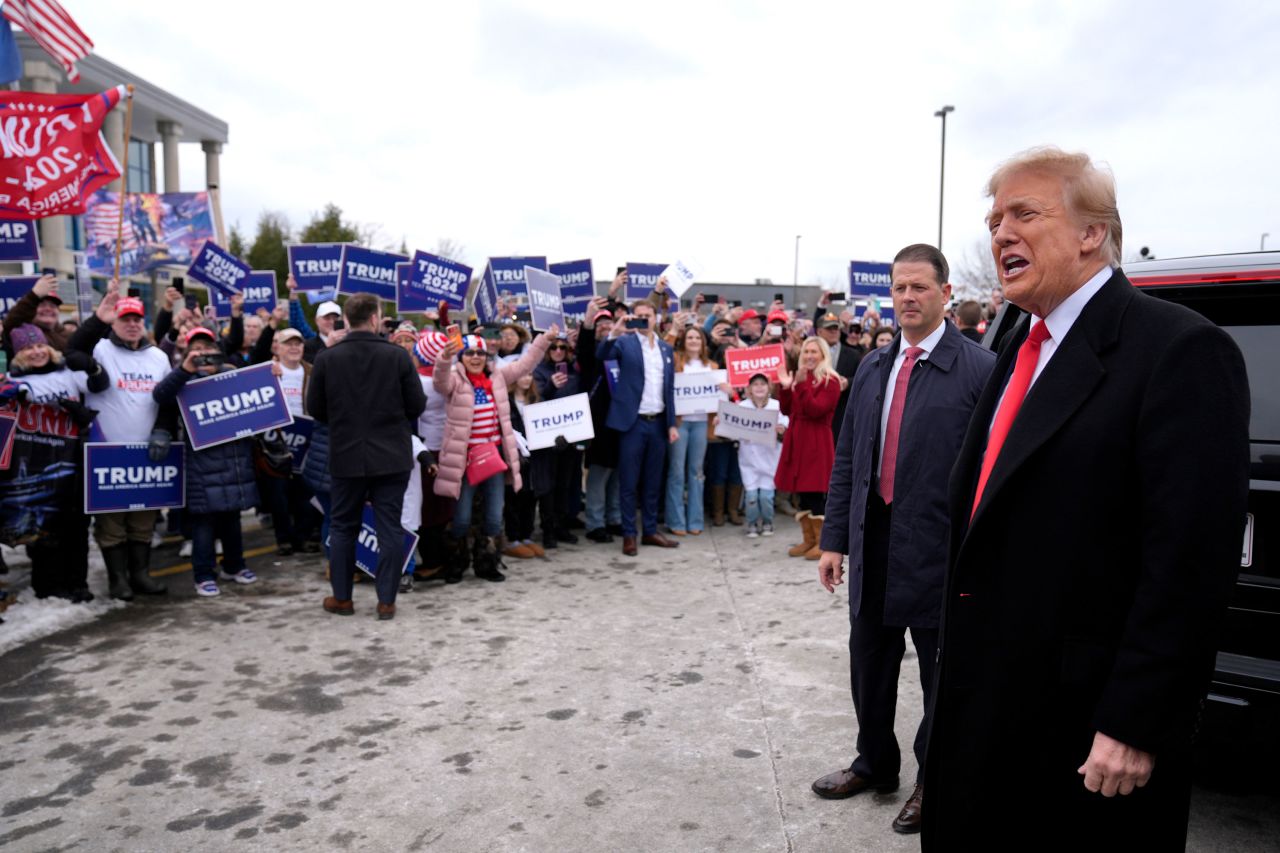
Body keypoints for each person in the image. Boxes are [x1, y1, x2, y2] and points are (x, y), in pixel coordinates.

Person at [922, 148, 1251, 848]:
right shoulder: (1019, 348)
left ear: (1091, 232)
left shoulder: (1178, 350)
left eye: (1024, 213)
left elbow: (1189, 567)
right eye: (994, 218)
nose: (1000, 232)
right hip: (983, 712)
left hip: (1083, 742)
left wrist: (1136, 719)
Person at [812, 244, 995, 834]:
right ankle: (875, 763)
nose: (909, 298)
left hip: (940, 549)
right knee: (869, 663)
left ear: (945, 293)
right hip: (874, 540)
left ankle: (931, 780)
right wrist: (833, 538)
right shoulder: (872, 368)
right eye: (899, 288)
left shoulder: (980, 371)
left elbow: (993, 473)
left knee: (940, 676)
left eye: (920, 287)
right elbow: (848, 461)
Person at [307, 293, 427, 621]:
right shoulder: (397, 357)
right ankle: (386, 601)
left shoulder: (327, 358)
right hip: (391, 455)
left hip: (346, 455)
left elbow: (314, 409)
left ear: (346, 319)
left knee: (343, 527)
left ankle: (343, 599)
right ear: (375, 318)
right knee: (389, 526)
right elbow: (416, 405)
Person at [68, 283, 171, 600]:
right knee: (111, 523)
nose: (131, 324)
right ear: (114, 322)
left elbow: (167, 400)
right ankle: (118, 580)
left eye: (136, 319)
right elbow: (73, 349)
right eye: (125, 318)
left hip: (146, 454)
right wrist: (97, 319)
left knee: (143, 521)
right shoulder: (99, 349)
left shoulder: (158, 357)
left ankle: (140, 575)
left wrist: (163, 430)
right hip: (107, 451)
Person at [433, 330, 553, 581]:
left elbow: (525, 364)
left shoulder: (498, 376)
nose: (476, 357)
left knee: (493, 516)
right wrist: (445, 358)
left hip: (494, 456)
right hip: (464, 459)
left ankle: (487, 564)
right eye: (470, 353)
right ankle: (456, 563)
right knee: (462, 517)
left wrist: (543, 340)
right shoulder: (455, 378)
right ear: (461, 356)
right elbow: (439, 382)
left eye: (481, 353)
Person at [1, 324, 107, 601]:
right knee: (42, 531)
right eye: (27, 348)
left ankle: (78, 583)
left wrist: (82, 412)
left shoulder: (68, 375)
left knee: (77, 528)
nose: (36, 352)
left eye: (39, 346)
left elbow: (100, 385)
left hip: (72, 463)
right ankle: (48, 589)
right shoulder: (12, 379)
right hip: (34, 467)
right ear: (18, 355)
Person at [153, 327, 261, 597]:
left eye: (209, 349)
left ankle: (234, 566)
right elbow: (160, 396)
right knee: (204, 524)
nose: (204, 355)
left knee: (233, 519)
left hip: (234, 461)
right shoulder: (183, 383)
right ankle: (203, 574)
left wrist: (272, 377)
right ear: (189, 355)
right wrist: (185, 370)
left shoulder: (231, 375)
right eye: (197, 350)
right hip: (202, 464)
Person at [597, 299, 679, 557]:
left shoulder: (666, 349)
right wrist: (616, 330)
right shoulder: (625, 343)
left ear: (656, 318)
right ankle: (630, 534)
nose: (644, 320)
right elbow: (602, 355)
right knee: (629, 482)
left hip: (658, 423)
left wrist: (671, 423)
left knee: (653, 481)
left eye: (648, 316)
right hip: (632, 423)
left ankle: (651, 530)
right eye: (639, 316)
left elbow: (669, 390)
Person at [775, 337, 843, 560]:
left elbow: (815, 410)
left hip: (816, 441)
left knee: (815, 493)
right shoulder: (800, 377)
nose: (810, 356)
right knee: (802, 493)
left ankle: (823, 543)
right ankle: (809, 539)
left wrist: (801, 384)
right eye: (806, 352)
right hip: (797, 439)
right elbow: (786, 409)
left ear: (823, 355)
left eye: (814, 352)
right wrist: (785, 387)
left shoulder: (830, 382)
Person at [665, 325, 720, 536]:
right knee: (676, 472)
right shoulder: (676, 362)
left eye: (698, 337)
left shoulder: (713, 367)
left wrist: (725, 391)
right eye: (690, 337)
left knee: (697, 473)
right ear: (683, 340)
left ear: (703, 342)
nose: (694, 340)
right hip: (680, 423)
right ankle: (675, 520)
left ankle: (695, 519)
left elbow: (719, 395)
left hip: (700, 424)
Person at [578, 299, 622, 543]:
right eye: (599, 323)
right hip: (598, 422)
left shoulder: (621, 348)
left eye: (608, 322)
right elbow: (584, 347)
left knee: (617, 471)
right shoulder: (591, 353)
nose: (604, 326)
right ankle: (595, 523)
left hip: (620, 421)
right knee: (598, 473)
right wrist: (588, 320)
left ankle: (613, 518)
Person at [532, 335, 582, 543]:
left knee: (565, 483)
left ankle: (562, 525)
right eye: (554, 347)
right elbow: (535, 398)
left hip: (569, 436)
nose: (559, 351)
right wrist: (551, 386)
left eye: (563, 347)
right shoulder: (539, 371)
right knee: (549, 485)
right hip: (547, 438)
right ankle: (548, 529)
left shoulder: (574, 371)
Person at [736, 374, 788, 537]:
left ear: (769, 387)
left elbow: (786, 426)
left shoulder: (777, 406)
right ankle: (751, 523)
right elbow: (730, 427)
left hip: (769, 460)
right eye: (755, 384)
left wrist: (781, 430)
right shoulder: (741, 407)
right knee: (751, 496)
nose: (759, 387)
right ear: (749, 389)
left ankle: (767, 522)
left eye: (762, 384)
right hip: (749, 460)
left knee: (766, 497)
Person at [814, 310, 861, 444]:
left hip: (841, 416)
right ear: (819, 331)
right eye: (829, 328)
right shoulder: (810, 353)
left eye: (836, 328)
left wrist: (848, 383)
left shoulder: (853, 355)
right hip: (817, 415)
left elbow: (861, 380)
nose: (834, 331)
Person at [3, 274, 70, 355]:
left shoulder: (68, 335)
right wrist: (34, 295)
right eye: (42, 305)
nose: (48, 309)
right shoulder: (22, 332)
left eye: (52, 306)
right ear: (31, 309)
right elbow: (12, 321)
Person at [303, 300, 346, 364]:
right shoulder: (308, 346)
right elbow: (312, 367)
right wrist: (327, 346)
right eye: (327, 318)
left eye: (335, 319)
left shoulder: (348, 342)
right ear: (317, 320)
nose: (331, 322)